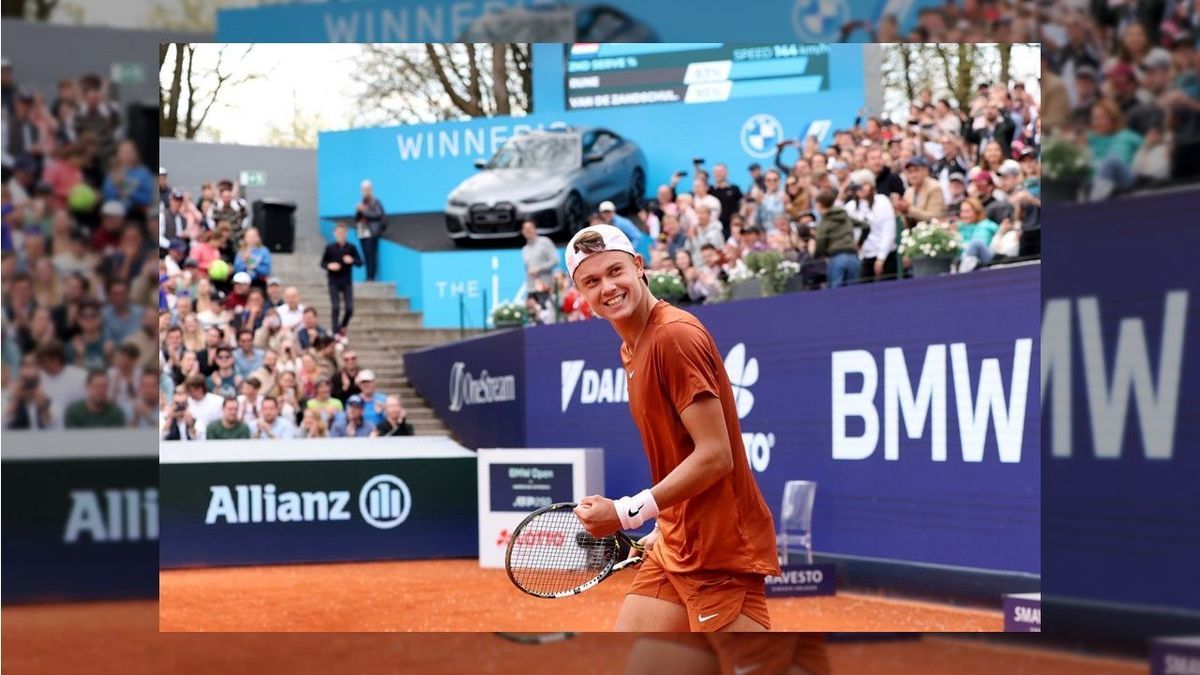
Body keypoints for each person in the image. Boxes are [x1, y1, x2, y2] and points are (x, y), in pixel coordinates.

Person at [564, 224, 780, 632]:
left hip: (718, 548)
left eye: (615, 272)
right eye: (591, 281)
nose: (607, 287)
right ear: (582, 296)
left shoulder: (673, 336)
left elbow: (715, 455)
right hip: (678, 540)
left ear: (639, 267)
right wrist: (667, 522)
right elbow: (679, 454)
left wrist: (628, 513)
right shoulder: (632, 346)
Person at [844, 169, 897, 282]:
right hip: (864, 257)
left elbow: (888, 232)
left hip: (886, 255)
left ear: (872, 185)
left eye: (864, 184)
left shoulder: (882, 201)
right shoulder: (851, 206)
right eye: (858, 185)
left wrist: (881, 258)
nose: (861, 188)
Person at [812, 188, 862, 289]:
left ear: (819, 204)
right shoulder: (844, 215)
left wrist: (816, 255)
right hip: (853, 257)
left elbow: (820, 243)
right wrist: (859, 243)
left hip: (836, 258)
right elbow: (866, 226)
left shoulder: (824, 221)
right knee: (855, 294)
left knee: (836, 296)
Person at [321, 221, 361, 335]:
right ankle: (334, 331)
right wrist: (329, 265)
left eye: (343, 232)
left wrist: (352, 260)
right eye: (339, 232)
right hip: (333, 281)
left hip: (346, 281)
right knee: (335, 307)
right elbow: (323, 263)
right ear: (334, 233)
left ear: (346, 233)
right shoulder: (330, 248)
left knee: (349, 308)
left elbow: (360, 262)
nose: (341, 234)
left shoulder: (351, 247)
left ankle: (342, 326)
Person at [354, 179, 386, 281]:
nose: (365, 191)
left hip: (372, 231)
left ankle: (371, 277)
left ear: (371, 189)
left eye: (367, 189)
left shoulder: (375, 201)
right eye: (363, 189)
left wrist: (365, 210)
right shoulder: (362, 202)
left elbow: (378, 214)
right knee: (366, 254)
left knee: (371, 254)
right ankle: (368, 276)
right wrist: (359, 211)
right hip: (362, 230)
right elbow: (357, 218)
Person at [521, 219, 558, 291]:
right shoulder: (524, 249)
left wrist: (539, 268)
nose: (527, 230)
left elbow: (555, 261)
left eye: (529, 228)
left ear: (535, 229)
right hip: (531, 288)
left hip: (546, 287)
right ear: (522, 232)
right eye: (525, 229)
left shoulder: (545, 242)